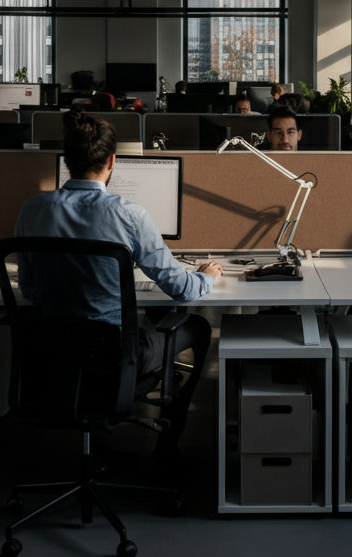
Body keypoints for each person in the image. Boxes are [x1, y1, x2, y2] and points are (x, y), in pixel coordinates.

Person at [15, 110, 221, 469]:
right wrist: (208, 275)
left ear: (66, 161)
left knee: (155, 316)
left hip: (53, 354)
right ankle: (166, 450)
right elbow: (180, 288)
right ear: (112, 161)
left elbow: (30, 291)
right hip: (113, 357)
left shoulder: (32, 210)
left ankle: (97, 440)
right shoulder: (129, 215)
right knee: (197, 326)